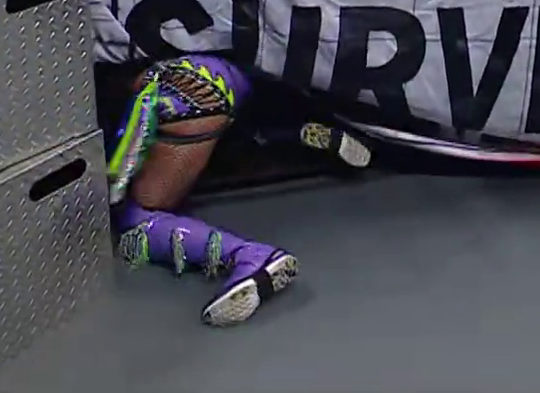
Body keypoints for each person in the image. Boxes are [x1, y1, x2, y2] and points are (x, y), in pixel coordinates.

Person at [105, 52, 372, 326]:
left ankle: (248, 256)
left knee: (137, 215)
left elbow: (129, 144)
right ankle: (298, 134)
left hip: (187, 98)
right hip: (234, 80)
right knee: (234, 142)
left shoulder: (135, 85)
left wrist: (114, 193)